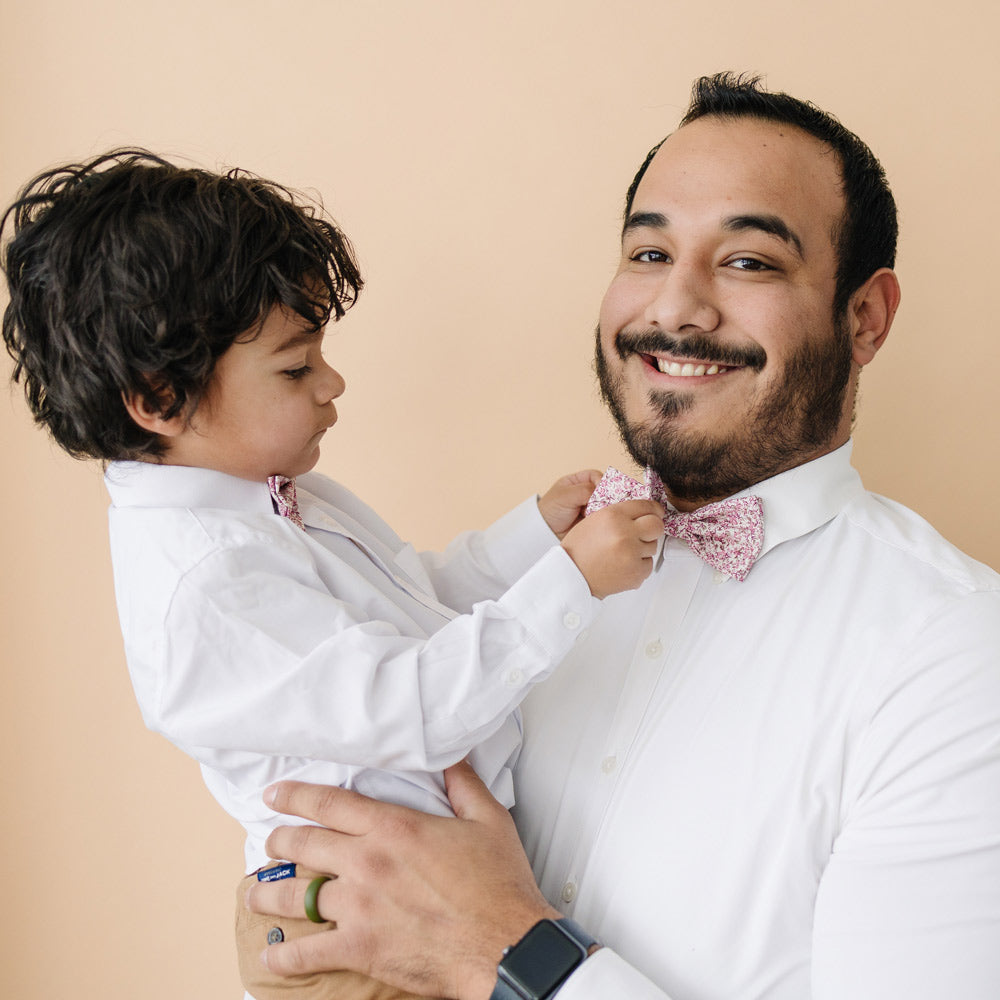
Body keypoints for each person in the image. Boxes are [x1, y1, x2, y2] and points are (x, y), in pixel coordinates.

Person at [245, 73, 1000, 999]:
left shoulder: (958, 654)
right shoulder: (511, 588)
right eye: (647, 253)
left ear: (865, 316)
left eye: (749, 261)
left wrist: (510, 954)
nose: (675, 308)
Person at [0, 151, 665, 1000]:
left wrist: (531, 539)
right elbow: (414, 707)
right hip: (349, 930)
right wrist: (570, 584)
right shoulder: (205, 582)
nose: (332, 383)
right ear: (160, 398)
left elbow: (409, 600)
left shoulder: (277, 492)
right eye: (295, 366)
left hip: (411, 890)